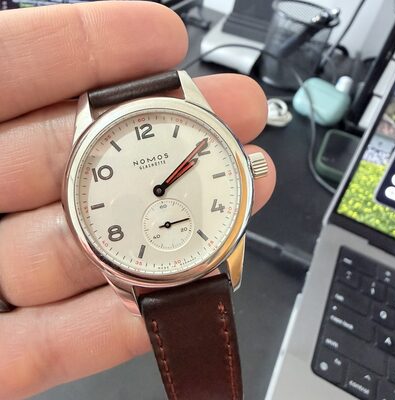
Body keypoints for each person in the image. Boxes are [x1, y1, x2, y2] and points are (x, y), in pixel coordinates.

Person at [0, 1, 276, 398]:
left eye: (161, 187)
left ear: (247, 170)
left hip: (206, 249)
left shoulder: (192, 115)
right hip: (146, 262)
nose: (159, 190)